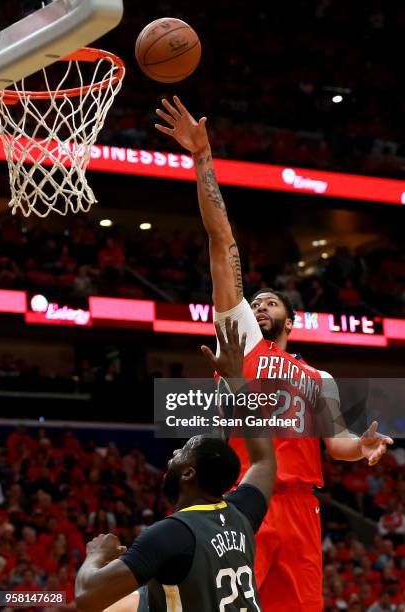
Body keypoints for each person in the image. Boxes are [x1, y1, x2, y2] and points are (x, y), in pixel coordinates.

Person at [155, 96, 394, 611]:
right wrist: (202, 157)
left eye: (270, 302)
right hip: (249, 497)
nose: (258, 304)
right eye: (254, 301)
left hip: (303, 510)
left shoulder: (319, 377)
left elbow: (337, 446)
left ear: (293, 318)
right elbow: (223, 244)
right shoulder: (241, 337)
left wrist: (364, 445)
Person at [75, 319, 276, 612]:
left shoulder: (170, 534)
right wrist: (236, 379)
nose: (173, 452)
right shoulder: (242, 513)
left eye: (182, 451)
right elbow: (264, 459)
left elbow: (86, 597)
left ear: (189, 473)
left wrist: (95, 555)